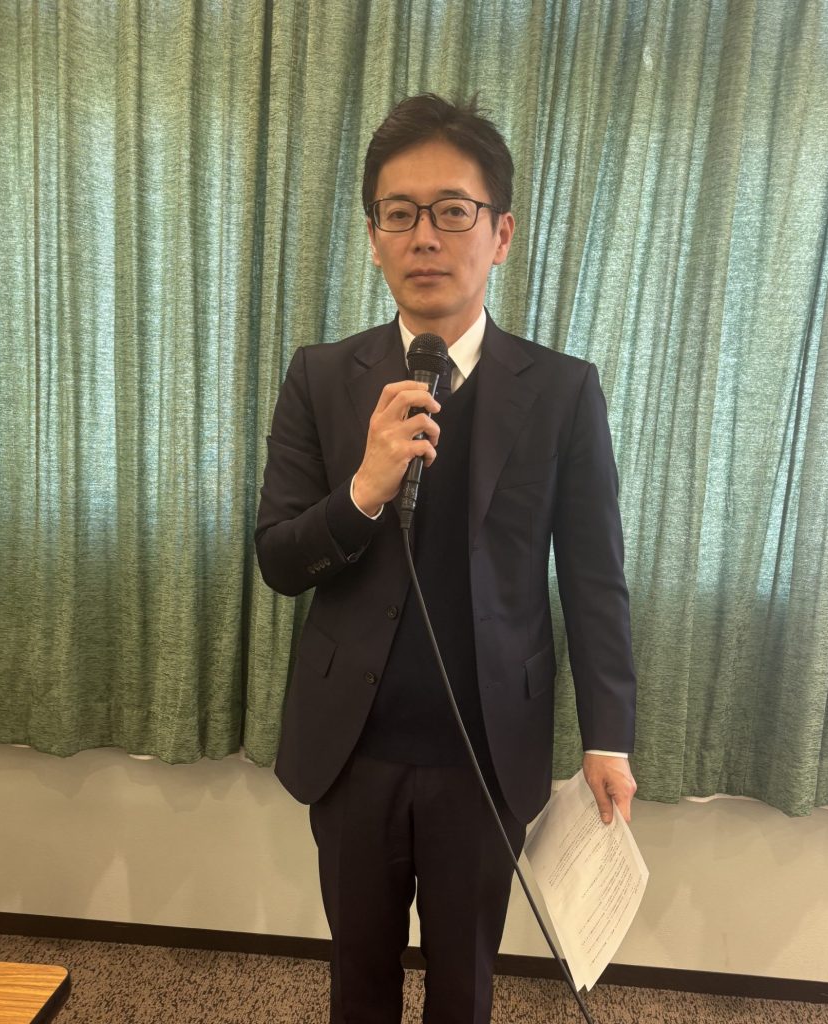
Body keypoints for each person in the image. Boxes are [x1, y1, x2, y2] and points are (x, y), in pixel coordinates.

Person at [255, 93, 637, 1024]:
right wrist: (364, 489)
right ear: (374, 238)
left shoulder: (562, 391)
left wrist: (608, 736)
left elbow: (594, 577)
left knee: (464, 987)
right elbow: (280, 560)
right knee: (359, 980)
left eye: (453, 211)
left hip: (485, 754)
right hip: (353, 752)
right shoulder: (320, 377)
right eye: (400, 213)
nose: (425, 236)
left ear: (500, 234)